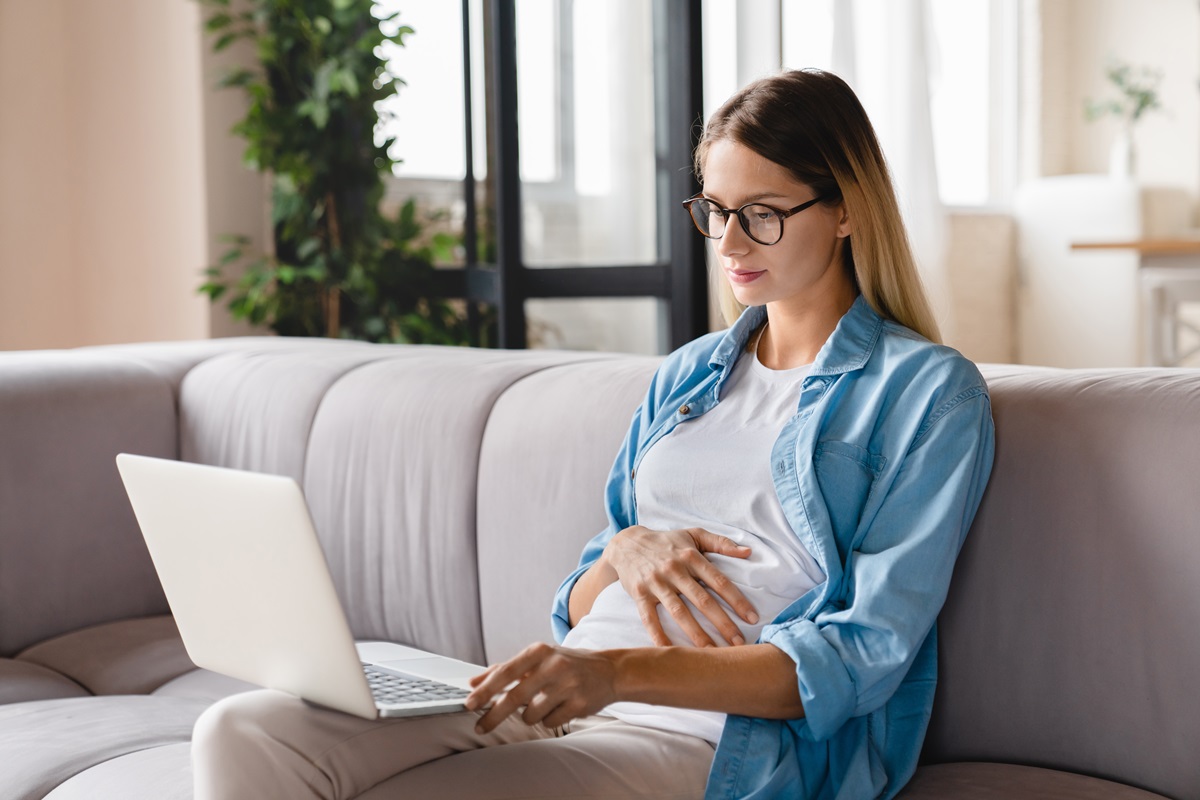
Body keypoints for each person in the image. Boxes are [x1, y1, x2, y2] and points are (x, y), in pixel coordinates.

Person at [192, 68, 995, 800]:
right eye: (714, 212)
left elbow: (861, 657)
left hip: (711, 741)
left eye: (763, 214)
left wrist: (615, 674)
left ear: (847, 208)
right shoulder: (688, 376)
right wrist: (621, 552)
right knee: (244, 729)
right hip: (574, 701)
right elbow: (574, 608)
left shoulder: (925, 392)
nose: (730, 244)